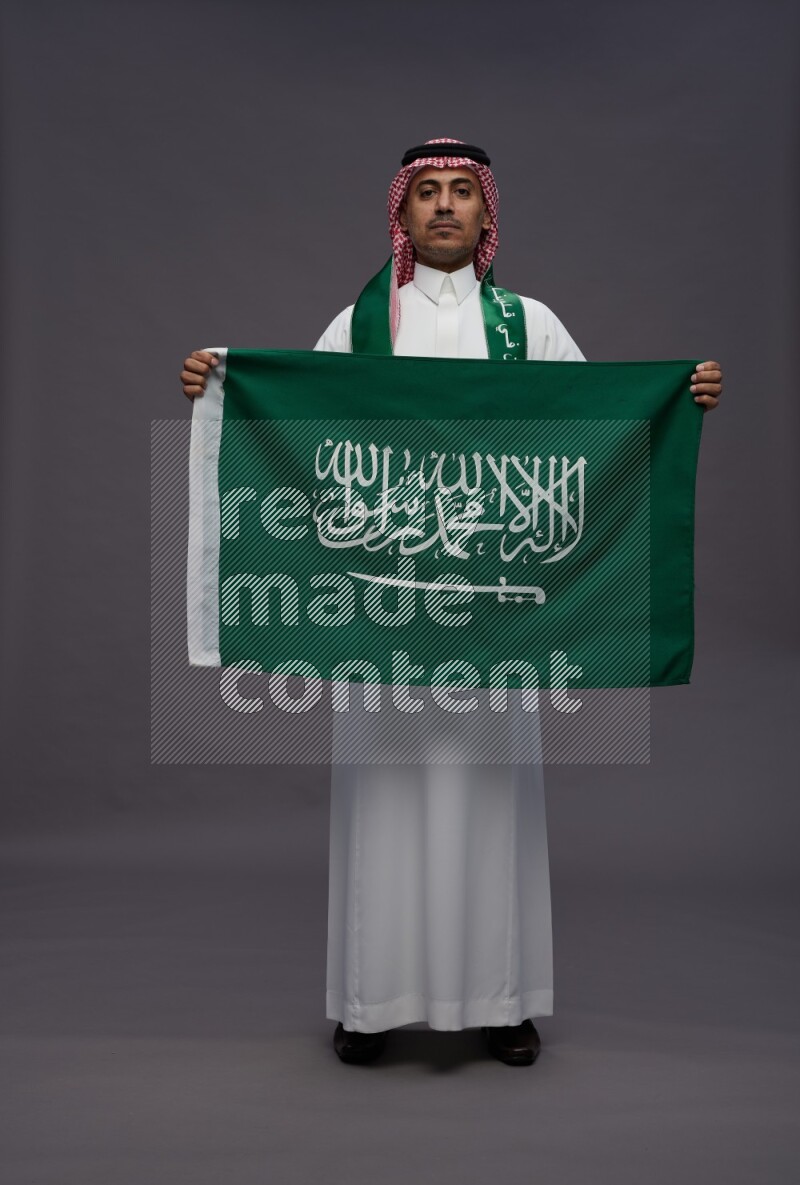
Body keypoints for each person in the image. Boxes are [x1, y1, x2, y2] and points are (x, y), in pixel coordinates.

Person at [180, 138, 722, 1067]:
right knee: (382, 798)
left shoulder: (529, 322)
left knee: (490, 801)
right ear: (401, 213)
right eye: (425, 192)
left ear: (485, 213)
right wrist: (221, 385)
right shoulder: (359, 327)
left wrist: (682, 399)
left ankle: (500, 1001)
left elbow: (597, 431)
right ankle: (368, 1001)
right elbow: (297, 425)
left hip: (495, 615)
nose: (442, 207)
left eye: (460, 192)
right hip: (382, 612)